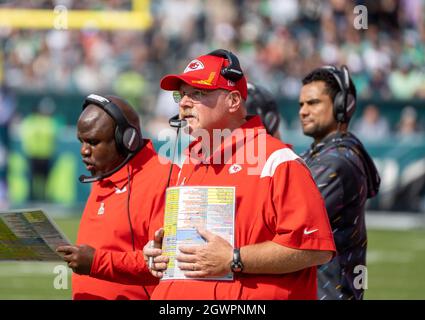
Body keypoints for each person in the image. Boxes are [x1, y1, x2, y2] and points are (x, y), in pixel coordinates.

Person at [144, 49, 336, 300]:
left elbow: (315, 249)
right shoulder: (190, 162)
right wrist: (161, 252)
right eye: (181, 95)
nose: (184, 103)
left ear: (234, 101)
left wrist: (234, 259)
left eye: (198, 93)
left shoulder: (277, 161)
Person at [57, 94, 175, 300]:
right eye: (82, 141)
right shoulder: (105, 174)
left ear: (126, 140)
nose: (84, 150)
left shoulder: (165, 179)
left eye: (93, 142)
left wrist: (96, 263)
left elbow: (166, 261)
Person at [298, 65, 381, 300]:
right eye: (301, 104)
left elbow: (290, 218)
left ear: (342, 105)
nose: (303, 111)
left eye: (313, 103)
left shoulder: (338, 161)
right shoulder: (319, 154)